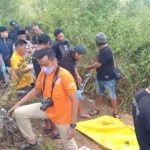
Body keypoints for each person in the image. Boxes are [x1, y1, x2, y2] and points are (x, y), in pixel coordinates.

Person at [8, 48, 79, 150]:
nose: (43, 68)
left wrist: (72, 126)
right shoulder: (43, 73)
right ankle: (32, 143)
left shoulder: (65, 76)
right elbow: (36, 90)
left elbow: (75, 99)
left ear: (54, 61)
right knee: (19, 112)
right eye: (40, 65)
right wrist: (18, 104)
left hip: (63, 116)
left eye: (46, 64)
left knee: (69, 145)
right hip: (48, 108)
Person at [85, 32, 119, 118]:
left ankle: (115, 112)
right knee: (99, 93)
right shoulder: (102, 49)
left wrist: (88, 67)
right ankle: (97, 109)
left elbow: (98, 64)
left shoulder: (106, 50)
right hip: (100, 76)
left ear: (98, 42)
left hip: (108, 78)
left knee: (112, 95)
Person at [60, 44, 90, 118]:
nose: (81, 58)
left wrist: (77, 75)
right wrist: (73, 84)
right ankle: (66, 115)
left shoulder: (73, 56)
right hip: (64, 80)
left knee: (78, 95)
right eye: (81, 56)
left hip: (71, 78)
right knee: (69, 96)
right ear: (76, 53)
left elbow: (74, 66)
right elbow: (67, 76)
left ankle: (81, 113)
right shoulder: (66, 61)